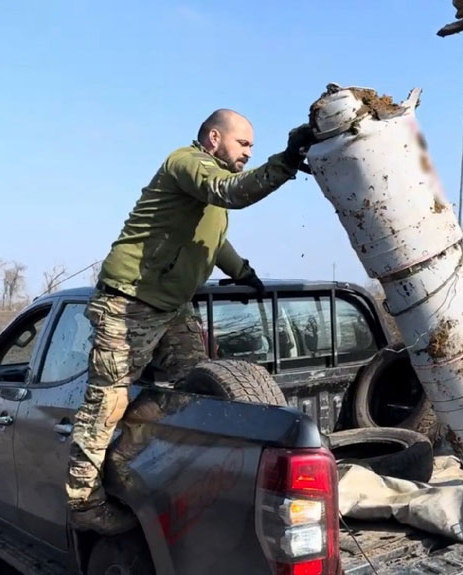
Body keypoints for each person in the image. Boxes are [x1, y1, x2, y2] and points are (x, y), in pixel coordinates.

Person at [66, 109, 316, 534]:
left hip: (172, 305)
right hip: (129, 300)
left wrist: (244, 274)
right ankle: (85, 504)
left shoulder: (209, 193)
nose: (248, 153)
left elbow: (212, 241)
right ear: (215, 138)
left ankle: (140, 463)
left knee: (193, 387)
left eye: (253, 147)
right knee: (107, 400)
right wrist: (287, 160)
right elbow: (232, 191)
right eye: (244, 144)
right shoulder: (187, 163)